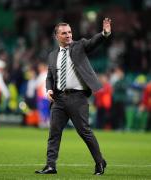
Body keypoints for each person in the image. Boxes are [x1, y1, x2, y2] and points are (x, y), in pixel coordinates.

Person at [35, 18, 111, 175]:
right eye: (64, 33)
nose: (68, 35)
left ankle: (99, 163)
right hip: (59, 99)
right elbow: (50, 76)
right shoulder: (52, 55)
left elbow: (93, 42)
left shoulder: (79, 46)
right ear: (57, 36)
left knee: (84, 131)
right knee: (54, 133)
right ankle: (50, 166)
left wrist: (104, 33)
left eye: (69, 32)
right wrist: (49, 90)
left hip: (78, 98)